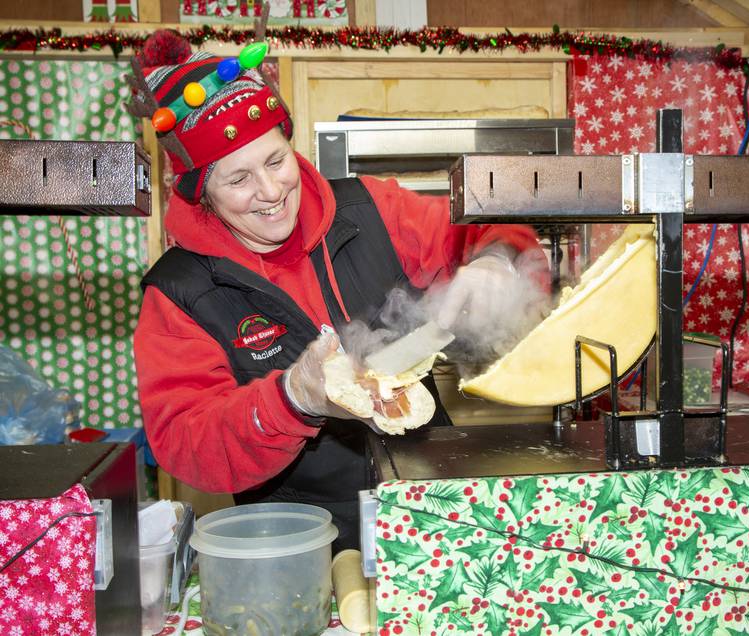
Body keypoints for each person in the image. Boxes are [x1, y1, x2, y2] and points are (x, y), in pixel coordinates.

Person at [130, 33, 547, 551]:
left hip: (434, 515)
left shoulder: (370, 211)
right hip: (297, 543)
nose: (270, 191)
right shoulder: (181, 292)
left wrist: (494, 263)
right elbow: (185, 444)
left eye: (276, 161)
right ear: (202, 194)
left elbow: (494, 232)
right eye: (238, 179)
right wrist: (292, 399)